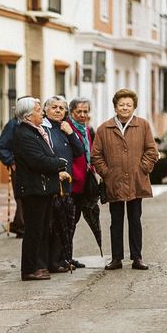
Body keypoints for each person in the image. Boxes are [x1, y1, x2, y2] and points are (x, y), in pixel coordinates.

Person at [91, 89, 158, 271]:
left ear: (134, 107)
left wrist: (143, 168)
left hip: (136, 180)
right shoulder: (104, 129)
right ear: (115, 107)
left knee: (135, 220)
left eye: (129, 105)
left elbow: (152, 151)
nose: (125, 108)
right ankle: (116, 258)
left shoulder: (143, 125)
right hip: (115, 182)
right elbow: (96, 155)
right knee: (116, 221)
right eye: (121, 105)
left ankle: (137, 257)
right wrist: (107, 173)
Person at [12, 96, 70, 281]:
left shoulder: (35, 131)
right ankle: (30, 269)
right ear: (28, 116)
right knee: (34, 230)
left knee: (43, 229)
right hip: (33, 190)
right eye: (38, 110)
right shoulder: (24, 134)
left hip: (43, 188)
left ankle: (40, 265)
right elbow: (38, 160)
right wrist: (59, 164)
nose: (42, 113)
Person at [42, 96, 84, 273]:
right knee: (53, 224)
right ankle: (51, 261)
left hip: (66, 183)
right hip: (52, 183)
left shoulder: (64, 128)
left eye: (61, 108)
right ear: (45, 110)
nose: (58, 110)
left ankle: (61, 258)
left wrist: (71, 133)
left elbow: (79, 151)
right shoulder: (44, 129)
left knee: (64, 223)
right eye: (54, 107)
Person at [66, 97, 96, 269]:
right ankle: (64, 257)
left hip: (83, 184)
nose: (83, 115)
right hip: (72, 183)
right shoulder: (67, 129)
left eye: (86, 111)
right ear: (72, 112)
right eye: (79, 112)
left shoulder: (86, 129)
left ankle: (68, 256)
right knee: (67, 222)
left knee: (74, 221)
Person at [0, 113, 24, 238]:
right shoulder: (13, 124)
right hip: (18, 167)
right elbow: (2, 145)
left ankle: (20, 224)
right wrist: (11, 161)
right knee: (21, 196)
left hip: (31, 166)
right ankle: (21, 226)